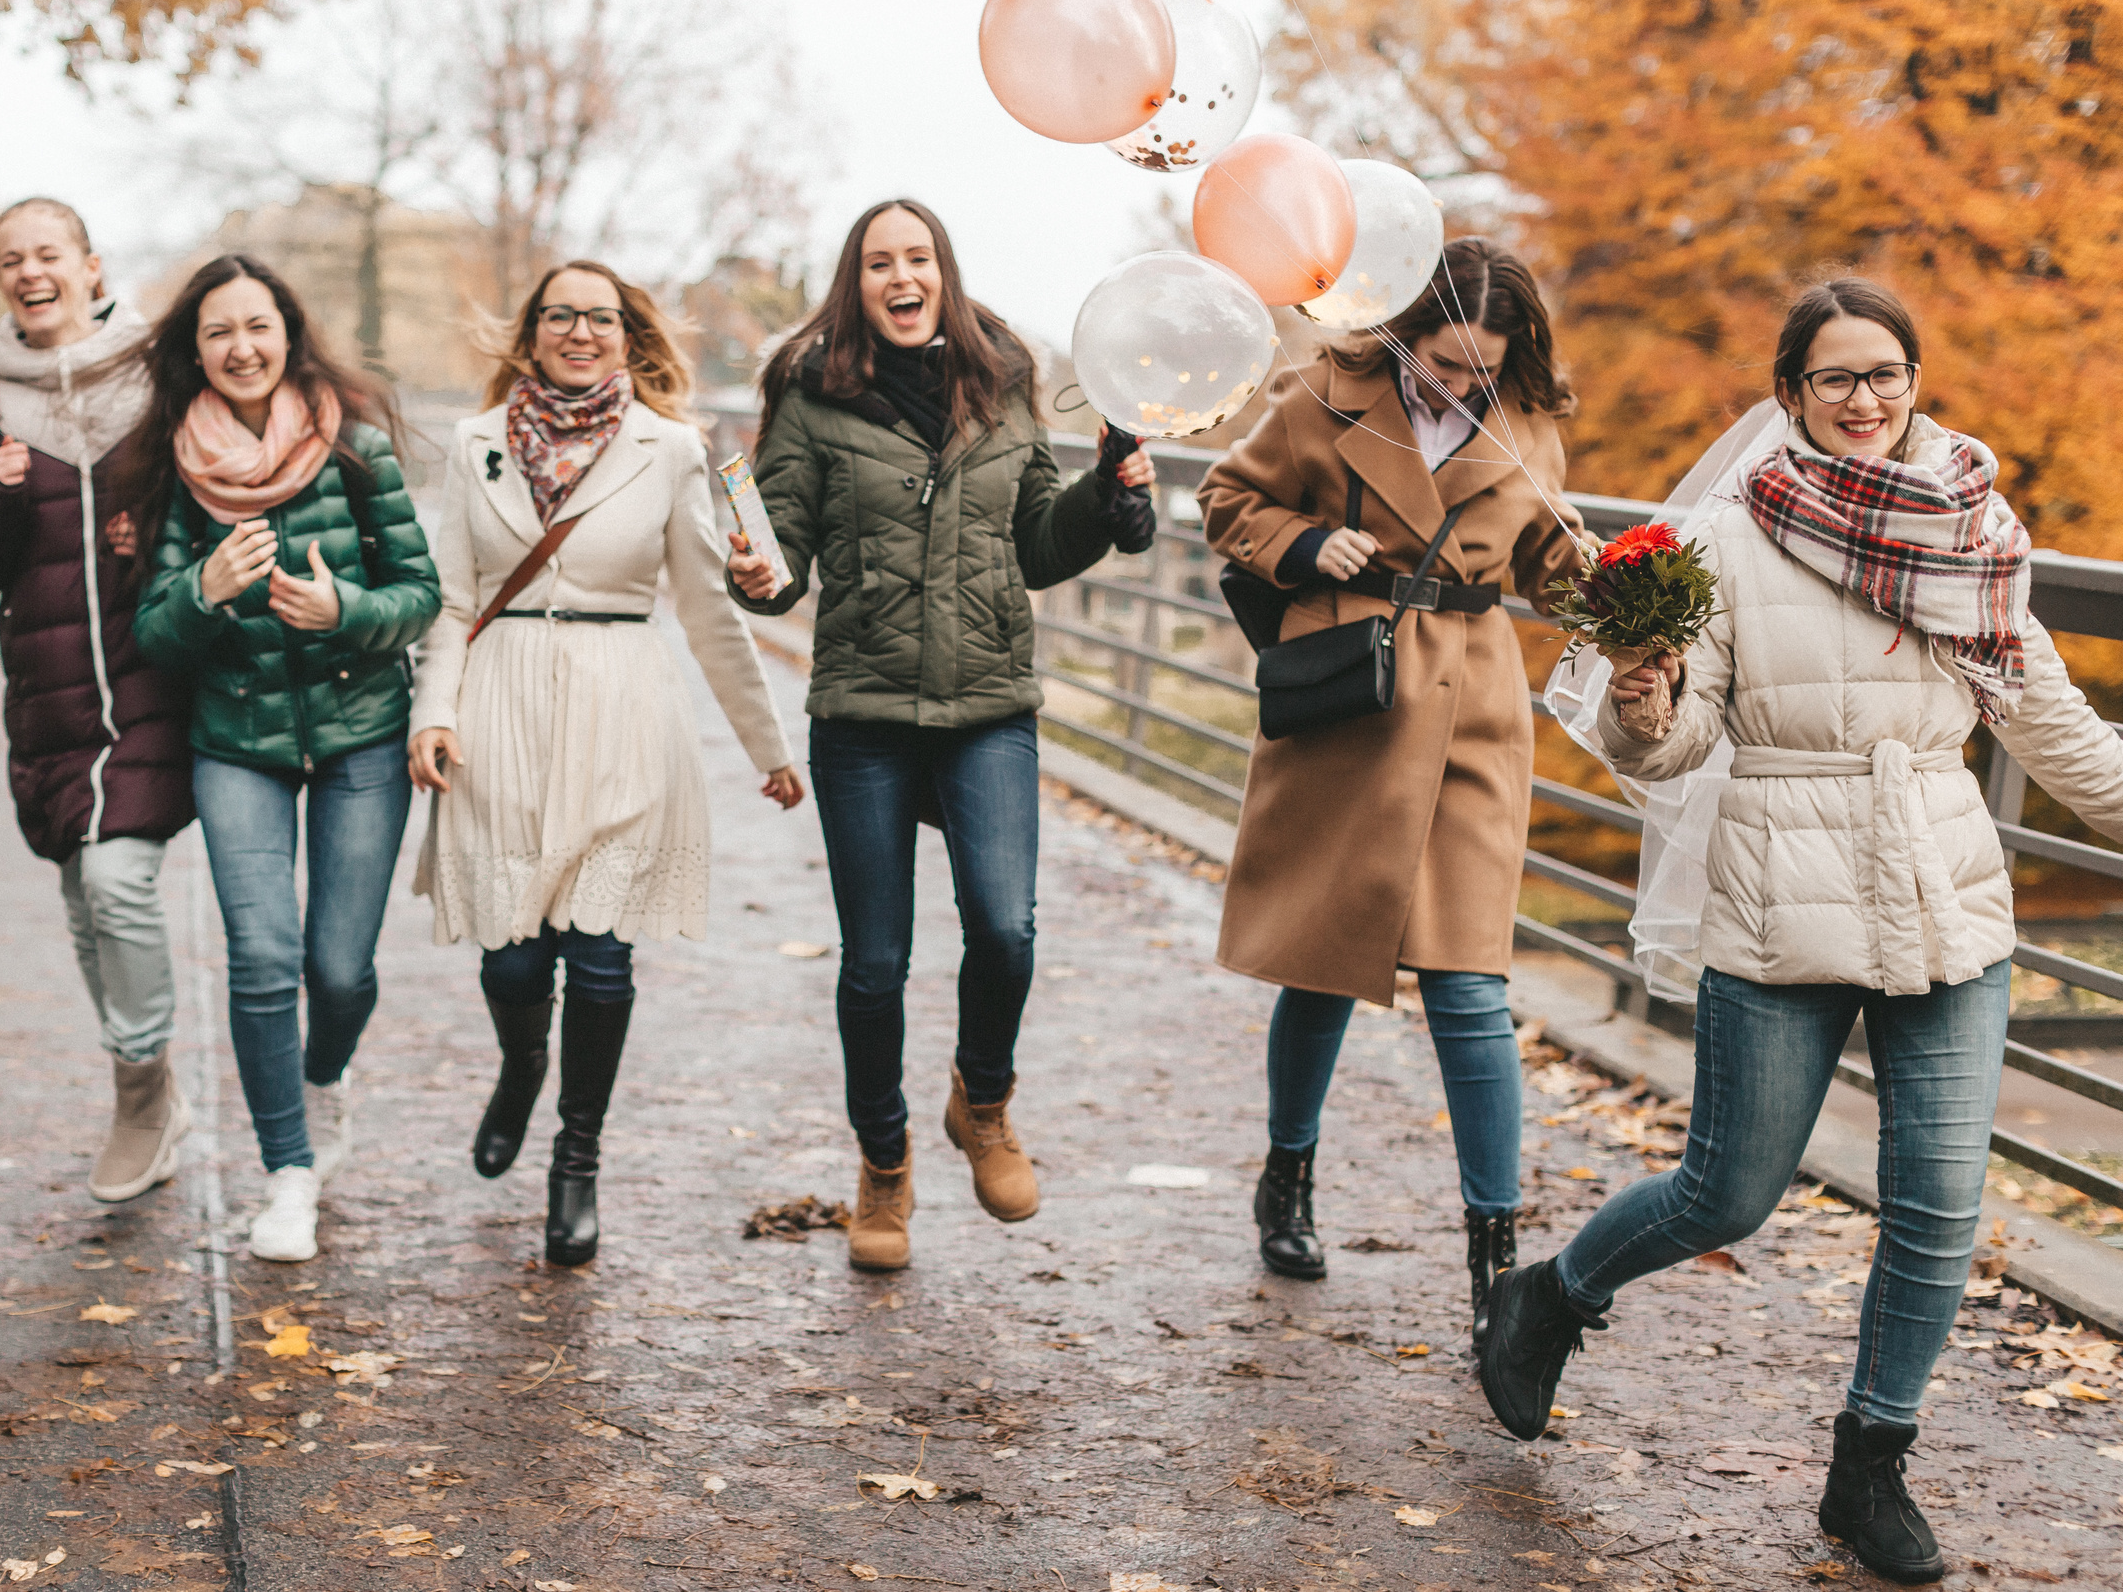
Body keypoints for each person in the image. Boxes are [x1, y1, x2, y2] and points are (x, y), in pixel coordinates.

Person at [1478, 278, 2123, 1586]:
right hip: (1780, 890)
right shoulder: (1723, 539)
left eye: (1886, 372)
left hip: (1944, 894)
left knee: (1938, 1206)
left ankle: (1869, 1463)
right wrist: (1647, 708)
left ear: (1914, 379)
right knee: (1728, 1192)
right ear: (1790, 394)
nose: (1865, 399)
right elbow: (1677, 741)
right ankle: (1551, 1292)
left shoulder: (1973, 525)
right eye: (1835, 378)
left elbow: (2043, 710)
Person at [727, 197, 1155, 1272]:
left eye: (918, 258)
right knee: (875, 964)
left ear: (944, 274)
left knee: (1004, 929)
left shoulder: (1002, 380)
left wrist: (1106, 496)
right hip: (863, 715)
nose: (901, 277)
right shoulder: (813, 396)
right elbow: (780, 557)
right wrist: (757, 574)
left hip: (987, 705)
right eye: (879, 263)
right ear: (856, 284)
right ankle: (883, 1163)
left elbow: (1038, 545)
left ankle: (984, 1099)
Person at [1196, 237, 1591, 1330]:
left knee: (1470, 986)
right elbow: (1227, 498)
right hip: (1351, 697)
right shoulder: (1321, 394)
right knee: (1320, 963)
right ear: (1406, 334)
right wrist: (1303, 541)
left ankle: (1495, 1260)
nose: (1460, 384)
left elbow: (1547, 563)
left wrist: (1626, 588)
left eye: (1481, 369)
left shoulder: (1527, 425)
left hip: (1472, 710)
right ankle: (1287, 1176)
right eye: (1444, 362)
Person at [410, 260, 802, 1267]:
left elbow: (709, 609)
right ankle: (520, 1067)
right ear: (532, 333)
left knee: (598, 961)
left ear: (628, 336)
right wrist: (434, 711)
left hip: (622, 709)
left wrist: (767, 745)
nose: (580, 331)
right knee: (512, 959)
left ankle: (576, 1155)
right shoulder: (476, 442)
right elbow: (452, 598)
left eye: (600, 317)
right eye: (560, 315)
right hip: (499, 710)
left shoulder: (671, 450)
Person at [126, 255, 440, 1264]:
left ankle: (324, 1074)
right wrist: (206, 589)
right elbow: (155, 633)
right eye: (218, 332)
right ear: (197, 351)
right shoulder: (179, 465)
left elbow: (421, 595)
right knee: (262, 958)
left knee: (338, 969)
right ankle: (288, 1173)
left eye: (256, 326)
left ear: (288, 335)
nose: (241, 347)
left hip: (361, 735)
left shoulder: (356, 448)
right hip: (237, 743)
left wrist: (344, 609)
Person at [0, 197, 195, 1204]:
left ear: (92, 266)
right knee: (85, 901)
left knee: (119, 881)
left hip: (151, 679)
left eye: (48, 253)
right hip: (49, 699)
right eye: (11, 259)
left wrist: (155, 534)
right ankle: (152, 1090)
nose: (29, 272)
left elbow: (222, 496)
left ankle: (141, 1094)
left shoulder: (161, 379)